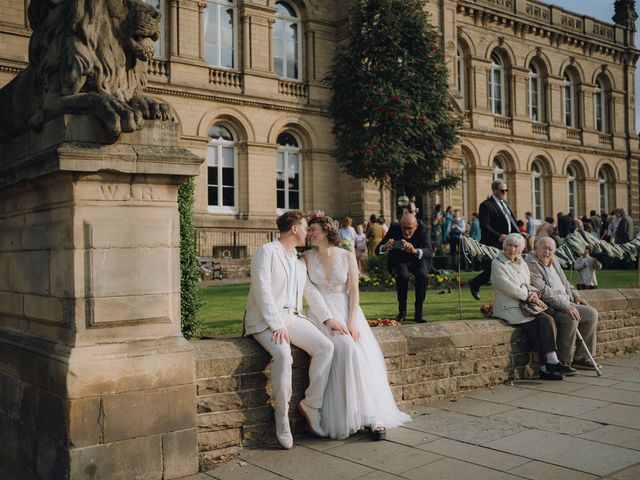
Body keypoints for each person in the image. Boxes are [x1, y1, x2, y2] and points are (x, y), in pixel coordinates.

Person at [243, 210, 348, 449]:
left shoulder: (297, 261)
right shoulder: (266, 252)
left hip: (293, 317)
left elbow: (310, 292)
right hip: (264, 321)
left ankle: (311, 405)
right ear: (293, 229)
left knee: (326, 346)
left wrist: (328, 319)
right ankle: (282, 418)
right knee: (282, 354)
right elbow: (262, 292)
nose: (307, 232)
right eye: (304, 227)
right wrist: (276, 324)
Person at [304, 211, 411, 440]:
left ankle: (372, 416)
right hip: (322, 312)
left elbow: (353, 290)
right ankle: (354, 414)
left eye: (313, 229)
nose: (309, 233)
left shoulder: (346, 255)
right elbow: (309, 291)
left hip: (347, 309)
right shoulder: (306, 257)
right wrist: (328, 318)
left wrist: (352, 320)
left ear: (326, 231)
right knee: (347, 347)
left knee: (361, 350)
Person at [491, 233, 575, 380]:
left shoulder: (522, 263)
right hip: (509, 308)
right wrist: (528, 295)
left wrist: (533, 293)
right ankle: (548, 365)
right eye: (509, 245)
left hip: (525, 306)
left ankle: (549, 364)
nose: (512, 249)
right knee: (539, 328)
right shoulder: (497, 263)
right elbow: (506, 286)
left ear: (521, 249)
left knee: (547, 320)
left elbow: (529, 283)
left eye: (516, 246)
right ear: (504, 247)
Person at [526, 237, 600, 370]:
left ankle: (580, 357)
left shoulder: (554, 262)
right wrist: (566, 307)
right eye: (544, 248)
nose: (547, 252)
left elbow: (565, 282)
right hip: (550, 306)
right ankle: (564, 360)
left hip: (567, 301)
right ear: (536, 248)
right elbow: (543, 291)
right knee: (570, 317)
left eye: (550, 249)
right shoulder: (531, 262)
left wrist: (576, 295)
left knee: (591, 314)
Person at [468, 180, 526, 300]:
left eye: (506, 190)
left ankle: (508, 294)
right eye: (502, 190)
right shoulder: (486, 205)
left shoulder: (505, 204)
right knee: (495, 268)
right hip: (493, 242)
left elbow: (512, 223)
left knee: (505, 268)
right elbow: (484, 225)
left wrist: (520, 234)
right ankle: (475, 283)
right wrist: (499, 235)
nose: (504, 193)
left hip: (507, 243)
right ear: (494, 190)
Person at [376, 214, 432, 323]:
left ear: (415, 226)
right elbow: (377, 250)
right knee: (402, 276)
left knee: (422, 275)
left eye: (409, 228)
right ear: (400, 225)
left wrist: (415, 251)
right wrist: (385, 247)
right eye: (404, 228)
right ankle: (402, 312)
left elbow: (429, 251)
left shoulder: (424, 229)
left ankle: (419, 313)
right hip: (400, 259)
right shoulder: (394, 227)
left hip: (418, 259)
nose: (406, 232)